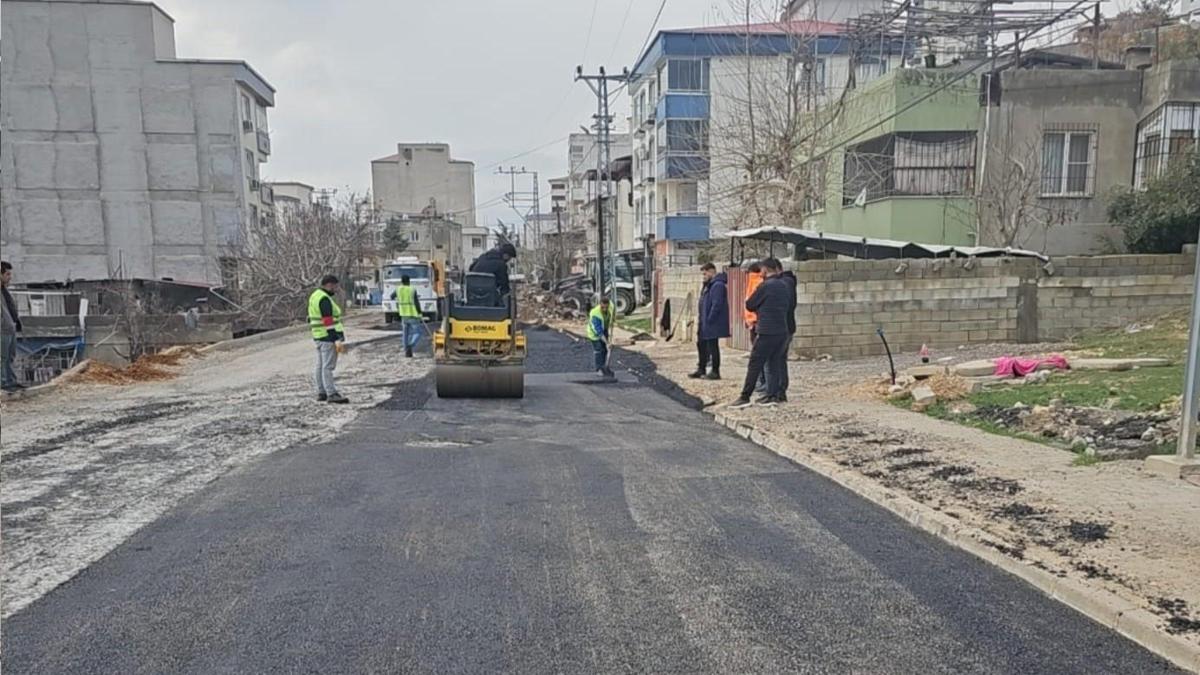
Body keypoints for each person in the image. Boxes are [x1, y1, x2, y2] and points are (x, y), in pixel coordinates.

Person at [729, 258, 791, 409]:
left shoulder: (765, 286)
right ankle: (772, 395)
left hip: (766, 331)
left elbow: (750, 304)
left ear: (765, 270)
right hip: (782, 331)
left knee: (755, 363)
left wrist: (760, 309)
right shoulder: (784, 285)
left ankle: (745, 396)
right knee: (774, 362)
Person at [308, 275, 349, 404]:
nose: (336, 289)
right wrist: (335, 338)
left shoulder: (315, 296)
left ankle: (322, 392)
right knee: (328, 367)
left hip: (318, 336)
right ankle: (331, 393)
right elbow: (328, 321)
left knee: (320, 366)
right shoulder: (324, 299)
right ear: (329, 285)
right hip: (327, 337)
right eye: (335, 286)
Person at [690, 262, 728, 380]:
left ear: (712, 271)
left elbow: (717, 304)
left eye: (705, 273)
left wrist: (710, 318)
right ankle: (701, 368)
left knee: (712, 346)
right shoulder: (708, 285)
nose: (704, 276)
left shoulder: (718, 285)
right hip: (704, 320)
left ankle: (715, 371)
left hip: (711, 322)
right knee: (701, 344)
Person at [743, 261, 768, 394]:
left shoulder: (755, 282)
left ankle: (762, 381)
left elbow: (751, 303)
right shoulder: (756, 281)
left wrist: (751, 321)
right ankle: (761, 381)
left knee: (758, 355)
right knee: (758, 355)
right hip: (754, 322)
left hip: (755, 323)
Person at [777, 268, 799, 402]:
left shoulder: (785, 284)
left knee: (778, 359)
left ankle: (780, 390)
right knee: (780, 359)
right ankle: (780, 389)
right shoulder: (789, 283)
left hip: (783, 327)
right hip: (787, 326)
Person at [1, 261, 23, 392]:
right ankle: (3, 383)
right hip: (2, 329)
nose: (10, 277)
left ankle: (11, 382)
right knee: (2, 358)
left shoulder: (4, 291)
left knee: (10, 357)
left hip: (10, 328)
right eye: (7, 274)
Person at [393, 274, 422, 358]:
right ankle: (410, 345)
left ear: (401, 281)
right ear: (409, 281)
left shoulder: (398, 289)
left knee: (405, 334)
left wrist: (398, 301)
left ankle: (406, 351)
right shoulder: (412, 289)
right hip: (412, 315)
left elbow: (392, 296)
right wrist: (419, 312)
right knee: (418, 332)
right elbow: (416, 302)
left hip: (403, 315)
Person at [587, 295, 615, 378]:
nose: (605, 309)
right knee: (599, 350)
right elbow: (598, 331)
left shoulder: (611, 307)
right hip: (594, 334)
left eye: (606, 307)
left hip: (604, 330)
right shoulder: (595, 313)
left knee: (605, 350)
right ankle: (599, 369)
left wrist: (613, 319)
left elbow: (613, 313)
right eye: (603, 308)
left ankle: (605, 367)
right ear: (600, 305)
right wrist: (607, 342)